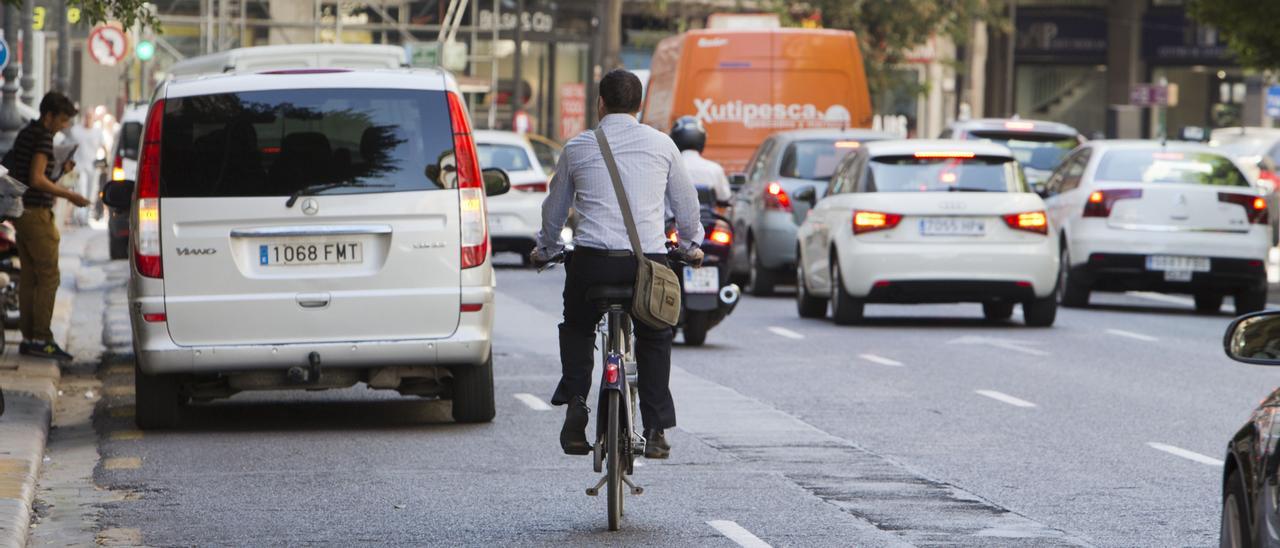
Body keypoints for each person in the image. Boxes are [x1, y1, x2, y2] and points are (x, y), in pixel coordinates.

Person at [531, 69, 705, 459]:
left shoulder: (578, 147)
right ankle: (657, 427)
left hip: (591, 264)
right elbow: (687, 207)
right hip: (647, 266)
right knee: (656, 333)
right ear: (640, 106)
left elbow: (554, 212)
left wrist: (544, 249)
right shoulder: (663, 145)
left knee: (576, 326)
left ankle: (576, 402)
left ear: (600, 103)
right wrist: (692, 246)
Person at [3, 92, 91, 361]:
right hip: (37, 213)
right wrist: (70, 195)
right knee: (49, 276)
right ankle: (42, 338)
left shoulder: (26, 133)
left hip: (22, 211)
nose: (64, 125)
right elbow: (37, 179)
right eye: (62, 119)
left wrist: (61, 169)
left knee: (31, 275)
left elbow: (33, 173)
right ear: (49, 115)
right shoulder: (42, 136)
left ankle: (30, 337)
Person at [669, 115, 731, 204]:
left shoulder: (667, 167)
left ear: (674, 139)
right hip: (707, 217)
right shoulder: (715, 169)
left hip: (672, 217)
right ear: (702, 139)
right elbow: (725, 197)